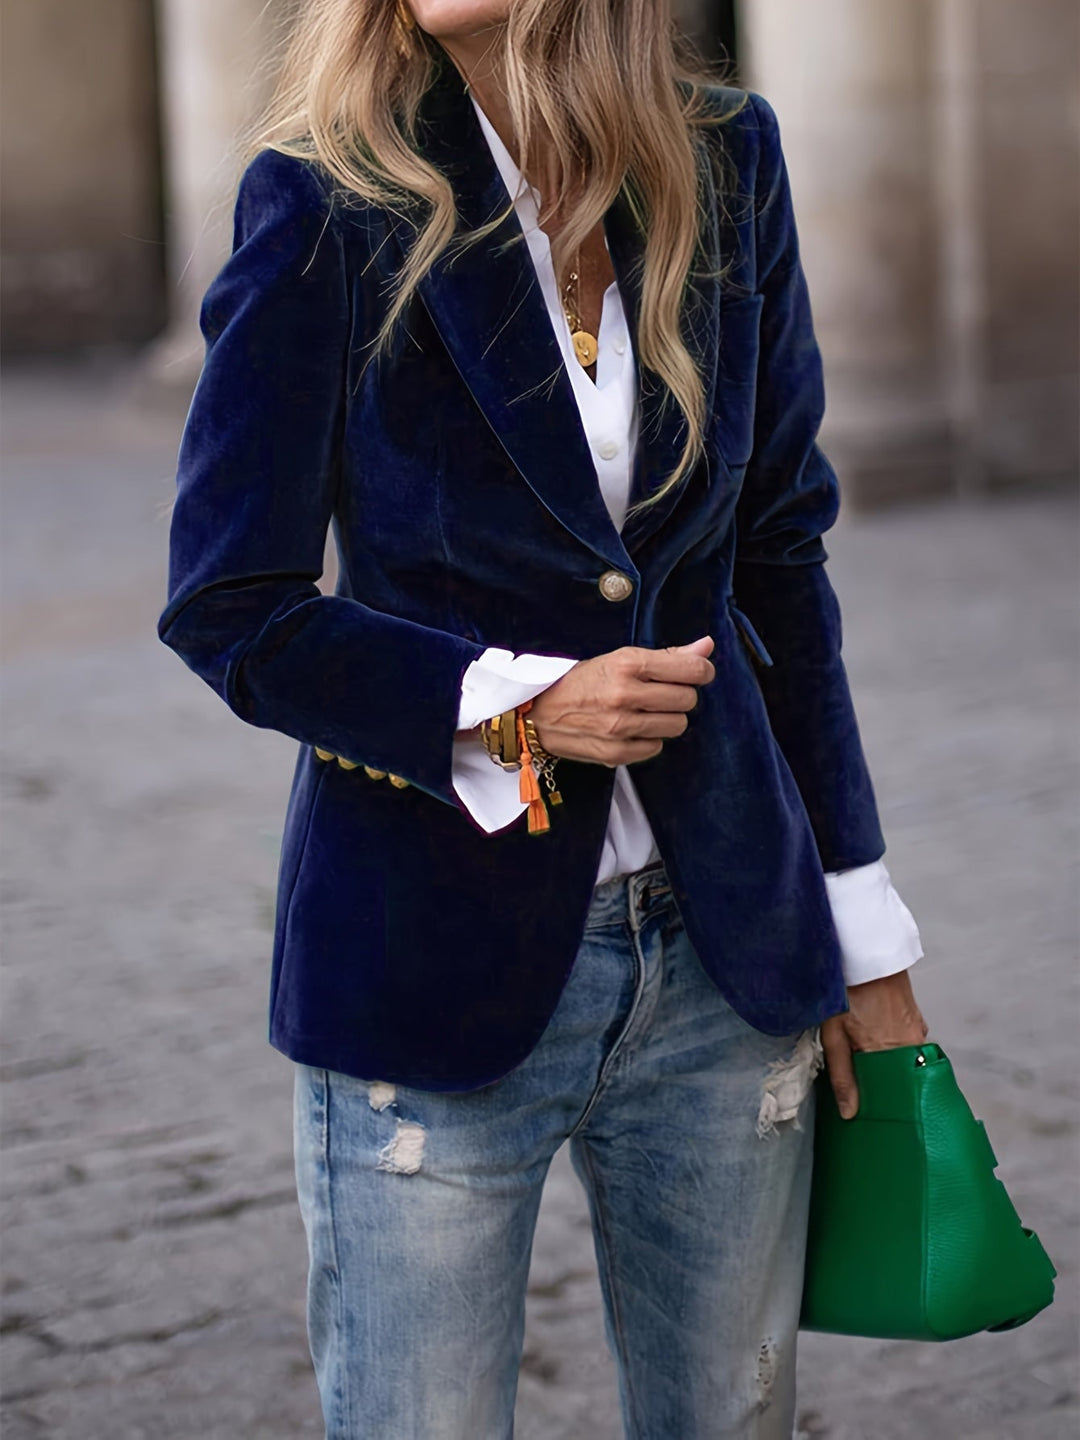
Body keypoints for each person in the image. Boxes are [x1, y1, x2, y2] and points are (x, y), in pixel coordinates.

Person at [158, 2, 930, 1435]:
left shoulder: (726, 161)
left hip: (725, 957)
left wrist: (865, 938)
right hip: (429, 954)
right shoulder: (327, 196)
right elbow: (233, 606)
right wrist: (514, 709)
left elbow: (781, 564)